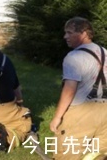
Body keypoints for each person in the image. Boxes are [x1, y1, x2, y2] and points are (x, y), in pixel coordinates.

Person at [50, 17, 107, 160]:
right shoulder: (105, 52)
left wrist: (57, 117)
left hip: (82, 111)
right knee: (98, 153)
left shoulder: (74, 57)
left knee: (66, 152)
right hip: (105, 109)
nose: (65, 37)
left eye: (69, 32)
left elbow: (69, 90)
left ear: (84, 33)